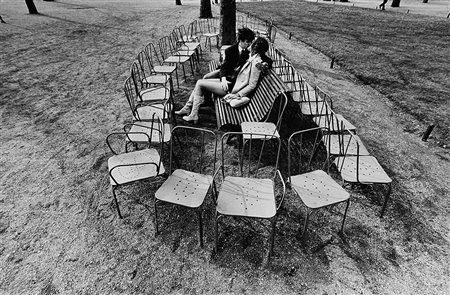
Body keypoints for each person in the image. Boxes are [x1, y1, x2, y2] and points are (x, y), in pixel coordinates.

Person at [175, 37, 272, 123]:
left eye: (252, 43)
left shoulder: (257, 63)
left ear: (255, 47)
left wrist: (237, 95)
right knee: (201, 82)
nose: (250, 45)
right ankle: (188, 109)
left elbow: (252, 85)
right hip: (232, 82)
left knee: (200, 83)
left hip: (233, 88)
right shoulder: (253, 58)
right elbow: (267, 60)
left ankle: (192, 114)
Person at [201, 27, 255, 105]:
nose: (249, 44)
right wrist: (223, 78)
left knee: (203, 82)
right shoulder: (230, 50)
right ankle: (207, 101)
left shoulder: (247, 53)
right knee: (206, 77)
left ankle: (203, 101)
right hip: (225, 71)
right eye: (247, 42)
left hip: (232, 75)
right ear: (240, 40)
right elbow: (224, 66)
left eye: (250, 42)